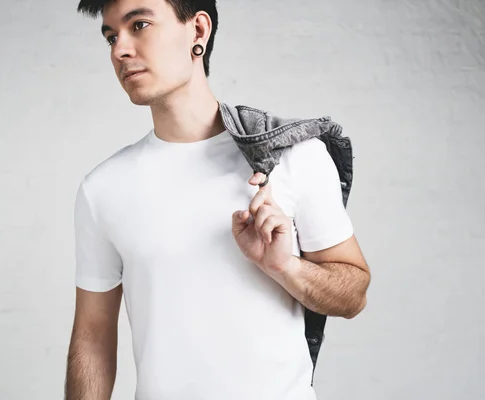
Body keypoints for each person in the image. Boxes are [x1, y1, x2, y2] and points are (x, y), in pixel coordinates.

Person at [65, 0, 371, 399]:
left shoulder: (291, 157)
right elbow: (92, 336)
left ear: (198, 31)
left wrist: (284, 267)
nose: (119, 49)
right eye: (111, 36)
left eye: (138, 25)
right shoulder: (103, 188)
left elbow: (353, 296)